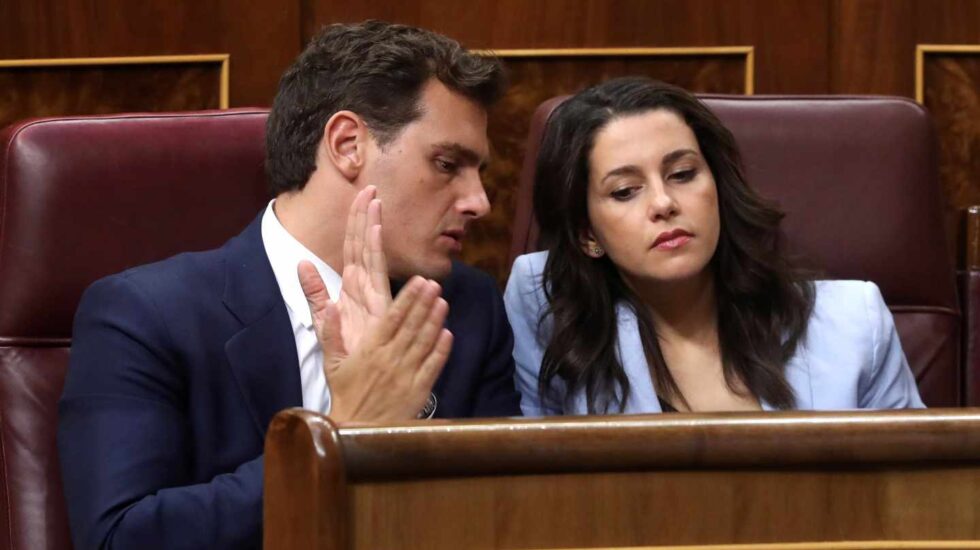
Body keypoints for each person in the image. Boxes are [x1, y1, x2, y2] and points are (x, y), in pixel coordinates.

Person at [58, 21, 521, 549]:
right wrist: (340, 433)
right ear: (348, 145)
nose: (479, 201)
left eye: (479, 171)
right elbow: (120, 539)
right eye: (447, 164)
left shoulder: (467, 307)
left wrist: (400, 424)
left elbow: (499, 518)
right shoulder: (143, 315)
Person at [504, 77, 924, 416]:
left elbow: (914, 495)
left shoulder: (854, 324)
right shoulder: (549, 308)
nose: (664, 204)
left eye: (683, 174)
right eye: (626, 190)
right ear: (586, 233)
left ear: (718, 188)